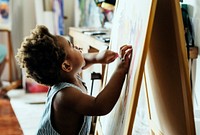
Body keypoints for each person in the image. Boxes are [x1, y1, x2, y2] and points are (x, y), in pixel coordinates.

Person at [15, 25, 132, 135]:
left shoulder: (67, 74)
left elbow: (82, 60)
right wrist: (120, 70)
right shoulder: (65, 95)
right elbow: (99, 106)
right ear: (66, 66)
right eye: (71, 46)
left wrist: (97, 57)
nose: (77, 47)